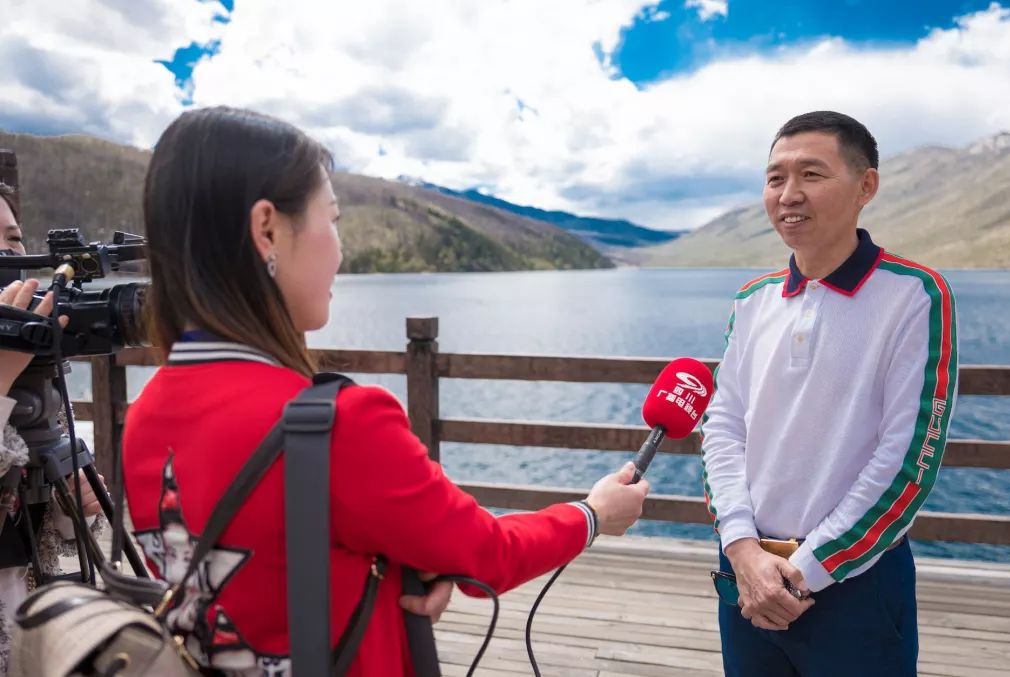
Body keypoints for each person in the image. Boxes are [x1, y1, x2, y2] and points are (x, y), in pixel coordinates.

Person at [121, 106, 652, 676]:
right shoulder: (340, 422)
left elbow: (279, 564)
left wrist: (406, 567)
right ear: (268, 229)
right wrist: (593, 514)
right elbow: (490, 554)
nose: (340, 250)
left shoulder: (146, 413)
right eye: (333, 219)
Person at [701, 111, 957, 677]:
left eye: (812, 174)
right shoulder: (753, 300)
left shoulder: (915, 295)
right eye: (775, 178)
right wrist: (742, 548)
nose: (789, 194)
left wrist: (804, 570)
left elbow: (910, 457)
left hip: (854, 584)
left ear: (866, 186)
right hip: (745, 578)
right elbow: (723, 425)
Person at [0, 182, 105, 675]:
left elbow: (50, 525)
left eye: (14, 239)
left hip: (34, 640)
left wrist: (73, 504)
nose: (5, 253)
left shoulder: (33, 367)